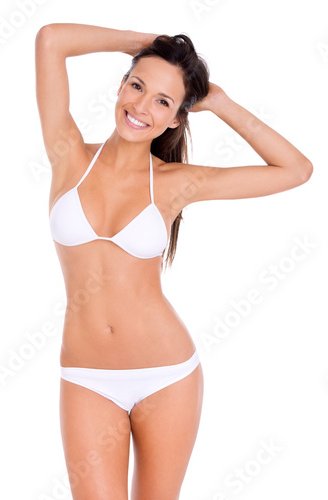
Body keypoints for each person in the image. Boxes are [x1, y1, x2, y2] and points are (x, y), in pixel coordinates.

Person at [35, 23, 313, 500]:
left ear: (177, 119)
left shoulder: (175, 183)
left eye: (163, 102)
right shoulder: (67, 154)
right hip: (86, 377)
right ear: (121, 85)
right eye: (137, 85)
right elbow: (49, 40)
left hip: (167, 375)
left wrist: (219, 101)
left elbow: (296, 169)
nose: (142, 106)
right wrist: (144, 44)